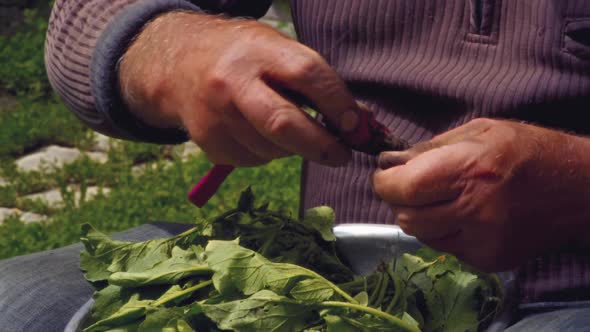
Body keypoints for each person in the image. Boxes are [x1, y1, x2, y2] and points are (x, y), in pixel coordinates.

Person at [1, 0, 589, 331]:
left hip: (569, 288)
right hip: (327, 268)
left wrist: (574, 181)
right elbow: (87, 18)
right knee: (14, 305)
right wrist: (175, 52)